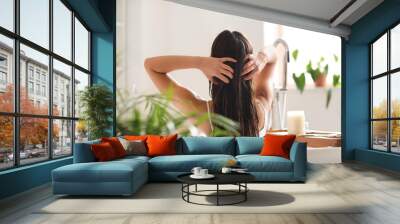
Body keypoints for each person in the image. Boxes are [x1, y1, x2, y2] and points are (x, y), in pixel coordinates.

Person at [144, 30, 284, 136]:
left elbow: (151, 66)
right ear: (250, 67)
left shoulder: (202, 112)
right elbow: (275, 55)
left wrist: (200, 63)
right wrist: (262, 58)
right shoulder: (261, 108)